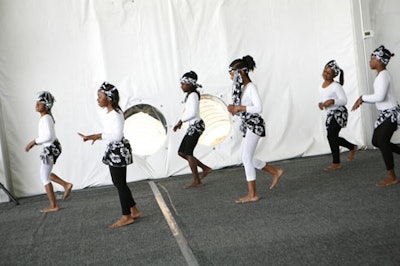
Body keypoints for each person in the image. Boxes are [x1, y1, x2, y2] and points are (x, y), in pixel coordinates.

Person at [78, 82, 141, 228]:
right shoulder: (112, 113)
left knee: (119, 184)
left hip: (118, 151)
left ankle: (127, 216)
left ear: (109, 98)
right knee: (120, 183)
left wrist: (97, 136)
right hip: (116, 150)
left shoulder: (115, 114)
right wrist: (96, 136)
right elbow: (111, 135)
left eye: (100, 96)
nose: (98, 99)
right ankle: (134, 210)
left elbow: (117, 136)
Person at [227, 55, 283, 204]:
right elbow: (243, 109)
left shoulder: (251, 87)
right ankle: (274, 171)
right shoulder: (242, 88)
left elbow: (258, 108)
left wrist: (239, 107)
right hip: (248, 125)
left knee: (246, 158)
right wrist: (233, 108)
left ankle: (253, 194)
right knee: (246, 158)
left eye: (233, 73)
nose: (231, 77)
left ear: (242, 72)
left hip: (255, 125)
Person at [352, 45, 399, 187]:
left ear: (380, 60)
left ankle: (392, 176)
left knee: (383, 141)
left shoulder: (384, 75)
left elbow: (380, 96)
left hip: (390, 114)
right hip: (385, 115)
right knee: (376, 141)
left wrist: (362, 98)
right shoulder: (381, 75)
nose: (370, 61)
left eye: (373, 58)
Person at [25, 91, 73, 212]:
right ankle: (65, 185)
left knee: (44, 176)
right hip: (51, 148)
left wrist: (33, 142)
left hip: (51, 148)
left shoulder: (46, 118)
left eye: (40, 102)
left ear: (47, 105)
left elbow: (48, 137)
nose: (37, 104)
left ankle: (54, 205)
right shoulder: (45, 118)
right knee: (45, 174)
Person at [173, 71, 212, 189]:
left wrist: (181, 121)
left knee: (188, 153)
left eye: (183, 84)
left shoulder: (194, 95)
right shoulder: (190, 95)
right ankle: (205, 168)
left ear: (190, 84)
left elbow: (193, 113)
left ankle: (197, 180)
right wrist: (182, 120)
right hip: (193, 126)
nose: (181, 86)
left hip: (196, 126)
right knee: (182, 152)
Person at [318, 60, 358, 171]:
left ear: (334, 75)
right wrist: (321, 104)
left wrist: (332, 101)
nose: (325, 74)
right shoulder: (321, 86)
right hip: (330, 114)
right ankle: (352, 147)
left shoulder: (336, 86)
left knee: (331, 135)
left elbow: (344, 100)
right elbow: (322, 99)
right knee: (331, 136)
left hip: (340, 113)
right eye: (324, 71)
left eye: (328, 73)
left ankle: (336, 162)